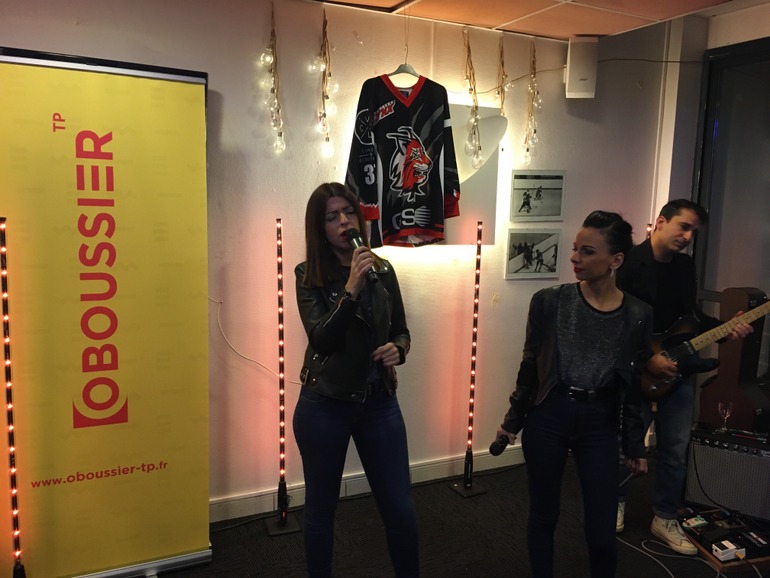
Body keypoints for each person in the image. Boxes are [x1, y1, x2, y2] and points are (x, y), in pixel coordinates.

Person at [496, 210, 653, 578]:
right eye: (574, 249)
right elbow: (530, 367)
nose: (574, 258)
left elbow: (634, 385)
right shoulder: (549, 301)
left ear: (615, 261)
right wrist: (512, 421)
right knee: (543, 514)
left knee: (601, 529)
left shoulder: (637, 314)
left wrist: (635, 444)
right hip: (549, 415)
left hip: (599, 422)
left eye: (587, 252)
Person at [293, 182, 419, 578]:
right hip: (325, 404)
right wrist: (350, 290)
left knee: (400, 509)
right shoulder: (307, 275)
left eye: (348, 212)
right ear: (319, 227)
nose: (344, 221)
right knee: (321, 510)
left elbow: (401, 330)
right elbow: (322, 339)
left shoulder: (382, 268)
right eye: (332, 217)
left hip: (378, 400)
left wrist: (399, 348)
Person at [615, 198, 753, 553]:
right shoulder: (628, 264)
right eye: (684, 227)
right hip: (637, 371)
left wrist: (726, 328)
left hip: (678, 368)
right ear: (661, 222)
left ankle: (664, 516)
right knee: (625, 445)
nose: (688, 236)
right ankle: (613, 503)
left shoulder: (684, 266)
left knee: (675, 449)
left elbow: (690, 319)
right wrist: (648, 360)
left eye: (694, 232)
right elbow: (617, 324)